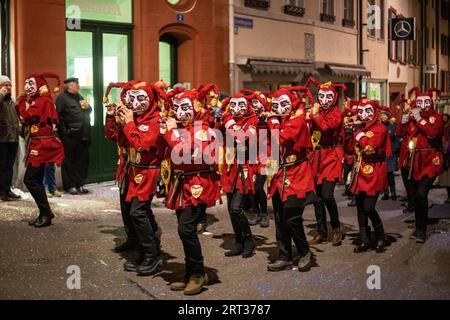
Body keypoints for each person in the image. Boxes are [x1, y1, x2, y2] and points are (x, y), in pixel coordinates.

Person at [161, 85, 221, 296]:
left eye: (185, 108)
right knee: (183, 228)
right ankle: (191, 273)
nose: (180, 113)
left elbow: (185, 155)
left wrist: (169, 132)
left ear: (196, 107)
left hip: (197, 184)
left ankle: (198, 274)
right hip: (182, 183)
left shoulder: (202, 130)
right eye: (177, 108)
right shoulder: (185, 128)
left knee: (186, 229)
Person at [115, 80, 166, 275]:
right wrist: (117, 122)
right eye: (133, 99)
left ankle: (152, 256)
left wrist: (129, 123)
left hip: (149, 171)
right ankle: (148, 249)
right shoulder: (137, 118)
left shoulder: (155, 120)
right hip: (134, 171)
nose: (135, 103)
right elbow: (121, 140)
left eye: (141, 99)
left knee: (138, 212)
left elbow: (141, 145)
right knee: (137, 211)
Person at [265, 86, 315, 272]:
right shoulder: (277, 121)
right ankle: (284, 255)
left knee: (292, 217)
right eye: (276, 105)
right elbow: (270, 147)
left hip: (297, 174)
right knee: (279, 217)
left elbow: (282, 138)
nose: (279, 108)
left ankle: (304, 252)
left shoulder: (297, 120)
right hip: (278, 174)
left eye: (283, 104)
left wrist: (271, 121)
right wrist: (268, 173)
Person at [16, 73, 65, 228]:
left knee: (30, 179)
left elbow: (27, 116)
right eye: (26, 83)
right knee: (35, 179)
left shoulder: (42, 101)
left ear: (39, 86)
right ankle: (45, 212)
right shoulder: (36, 100)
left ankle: (46, 213)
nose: (27, 87)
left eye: (31, 84)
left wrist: (22, 104)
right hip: (37, 144)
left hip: (42, 146)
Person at [400, 88, 444, 243]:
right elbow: (401, 134)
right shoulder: (413, 118)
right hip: (415, 161)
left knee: (421, 194)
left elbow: (433, 133)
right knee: (414, 196)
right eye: (420, 102)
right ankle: (420, 223)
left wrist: (419, 119)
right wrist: (404, 121)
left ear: (431, 103)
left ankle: (421, 230)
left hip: (430, 161)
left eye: (426, 102)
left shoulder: (437, 118)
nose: (423, 105)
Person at [220, 92, 261, 259]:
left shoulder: (252, 120)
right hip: (230, 165)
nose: (236, 109)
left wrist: (229, 122)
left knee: (237, 207)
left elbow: (241, 138)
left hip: (244, 165)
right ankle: (239, 241)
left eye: (240, 105)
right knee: (230, 208)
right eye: (233, 105)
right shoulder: (229, 118)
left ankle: (249, 239)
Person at [305, 78, 346, 246]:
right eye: (322, 96)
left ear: (334, 98)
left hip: (331, 155)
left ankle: (336, 228)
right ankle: (321, 231)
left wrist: (313, 115)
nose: (325, 100)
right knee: (317, 197)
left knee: (327, 194)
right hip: (317, 156)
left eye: (329, 96)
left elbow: (326, 127)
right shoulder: (317, 111)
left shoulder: (337, 112)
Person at [346, 98, 390, 253]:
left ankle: (380, 235)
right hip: (360, 168)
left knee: (368, 207)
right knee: (360, 207)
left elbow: (369, 146)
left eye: (367, 111)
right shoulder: (270, 127)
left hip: (373, 169)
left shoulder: (379, 128)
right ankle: (365, 239)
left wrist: (356, 132)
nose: (364, 115)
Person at [56, 78, 92, 195]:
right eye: (76, 84)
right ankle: (70, 185)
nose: (78, 86)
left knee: (81, 161)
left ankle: (80, 184)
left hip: (83, 135)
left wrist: (88, 107)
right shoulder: (62, 98)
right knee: (69, 161)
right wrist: (65, 131)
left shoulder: (79, 96)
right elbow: (58, 117)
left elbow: (89, 110)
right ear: (69, 86)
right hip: (70, 136)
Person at [0, 75, 21, 201]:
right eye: (5, 85)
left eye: (9, 85)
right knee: (2, 166)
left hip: (13, 138)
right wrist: (1, 95)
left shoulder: (12, 100)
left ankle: (8, 189)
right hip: (1, 139)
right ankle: (2, 191)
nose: (8, 87)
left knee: (9, 166)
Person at [380, 110, 400, 201]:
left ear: (388, 116)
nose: (382, 117)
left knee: (390, 173)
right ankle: (386, 192)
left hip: (390, 152)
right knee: (383, 174)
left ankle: (393, 193)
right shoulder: (379, 126)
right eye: (381, 115)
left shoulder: (392, 125)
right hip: (382, 152)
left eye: (384, 115)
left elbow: (394, 137)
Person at [439, 114, 450, 203]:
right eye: (443, 118)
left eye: (446, 118)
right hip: (443, 152)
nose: (444, 120)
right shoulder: (441, 127)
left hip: (448, 153)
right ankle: (448, 196)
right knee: (446, 179)